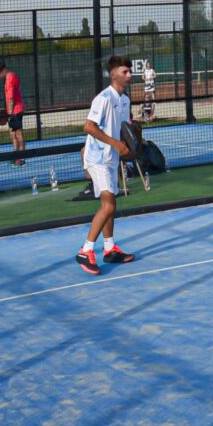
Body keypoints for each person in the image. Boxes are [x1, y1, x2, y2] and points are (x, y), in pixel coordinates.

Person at [75, 55, 137, 275]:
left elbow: (123, 129)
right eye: (124, 72)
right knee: (109, 205)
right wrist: (116, 144)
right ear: (113, 74)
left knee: (110, 204)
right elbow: (88, 127)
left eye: (130, 71)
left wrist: (130, 144)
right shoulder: (103, 98)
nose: (129, 75)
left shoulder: (125, 100)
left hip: (111, 158)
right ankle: (86, 251)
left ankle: (109, 249)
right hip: (97, 158)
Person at [0, 60, 26, 165]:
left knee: (18, 134)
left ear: (3, 70)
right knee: (13, 134)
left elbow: (11, 99)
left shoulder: (10, 78)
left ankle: (22, 158)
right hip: (12, 111)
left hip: (15, 111)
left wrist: (10, 114)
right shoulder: (9, 78)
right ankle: (15, 157)